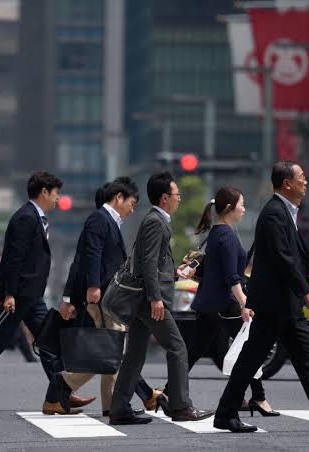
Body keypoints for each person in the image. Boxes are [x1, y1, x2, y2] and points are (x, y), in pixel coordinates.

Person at [214, 161, 309, 433]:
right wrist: (305, 290)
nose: (306, 182)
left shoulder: (283, 211)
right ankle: (227, 413)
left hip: (280, 302)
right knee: (261, 358)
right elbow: (280, 258)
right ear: (287, 183)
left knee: (303, 355)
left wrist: (306, 255)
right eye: (302, 178)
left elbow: (282, 253)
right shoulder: (274, 213)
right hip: (275, 302)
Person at [0, 171, 94, 415]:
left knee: (50, 342)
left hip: (31, 297)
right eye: (55, 193)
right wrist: (6, 294)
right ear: (44, 192)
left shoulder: (34, 218)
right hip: (19, 297)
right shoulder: (26, 218)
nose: (58, 198)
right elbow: (12, 259)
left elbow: (9, 259)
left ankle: (61, 394)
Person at [158, 187, 277, 417]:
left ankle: (168, 393)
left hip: (208, 303)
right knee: (251, 345)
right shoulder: (228, 236)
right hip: (224, 303)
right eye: (242, 204)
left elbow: (217, 270)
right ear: (230, 208)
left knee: (195, 352)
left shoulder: (216, 233)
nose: (244, 208)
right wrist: (244, 303)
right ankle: (259, 398)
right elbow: (231, 276)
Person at [48, 177, 160, 416]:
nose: (132, 209)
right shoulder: (100, 219)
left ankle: (111, 405)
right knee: (113, 353)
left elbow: (83, 259)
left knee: (110, 352)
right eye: (131, 203)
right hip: (104, 298)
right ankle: (66, 385)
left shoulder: (109, 221)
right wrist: (93, 286)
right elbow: (90, 255)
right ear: (118, 197)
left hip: (109, 297)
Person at [109, 172, 214, 425]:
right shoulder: (157, 221)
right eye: (177, 194)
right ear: (165, 197)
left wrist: (175, 273)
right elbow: (148, 263)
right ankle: (180, 407)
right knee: (178, 348)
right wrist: (156, 299)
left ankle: (120, 408)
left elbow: (156, 263)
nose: (179, 198)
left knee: (134, 354)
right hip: (149, 301)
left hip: (143, 299)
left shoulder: (156, 220)